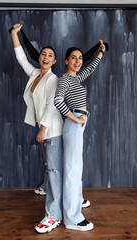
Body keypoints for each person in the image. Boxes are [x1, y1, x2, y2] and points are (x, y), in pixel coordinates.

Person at [11, 24, 63, 233]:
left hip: (52, 130)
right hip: (45, 128)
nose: (45, 57)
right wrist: (15, 34)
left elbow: (51, 105)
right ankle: (48, 188)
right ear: (39, 58)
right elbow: (21, 57)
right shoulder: (34, 74)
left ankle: (54, 216)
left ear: (54, 61)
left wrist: (42, 129)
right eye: (43, 54)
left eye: (50, 55)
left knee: (53, 170)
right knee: (49, 167)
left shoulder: (53, 79)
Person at [54, 40, 106, 231]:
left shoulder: (75, 78)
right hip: (74, 124)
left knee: (76, 170)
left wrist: (100, 52)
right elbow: (58, 100)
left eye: (80, 58)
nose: (77, 61)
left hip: (78, 124)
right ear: (66, 61)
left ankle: (75, 207)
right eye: (73, 58)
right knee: (72, 173)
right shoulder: (65, 79)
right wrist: (75, 119)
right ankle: (72, 218)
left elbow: (90, 69)